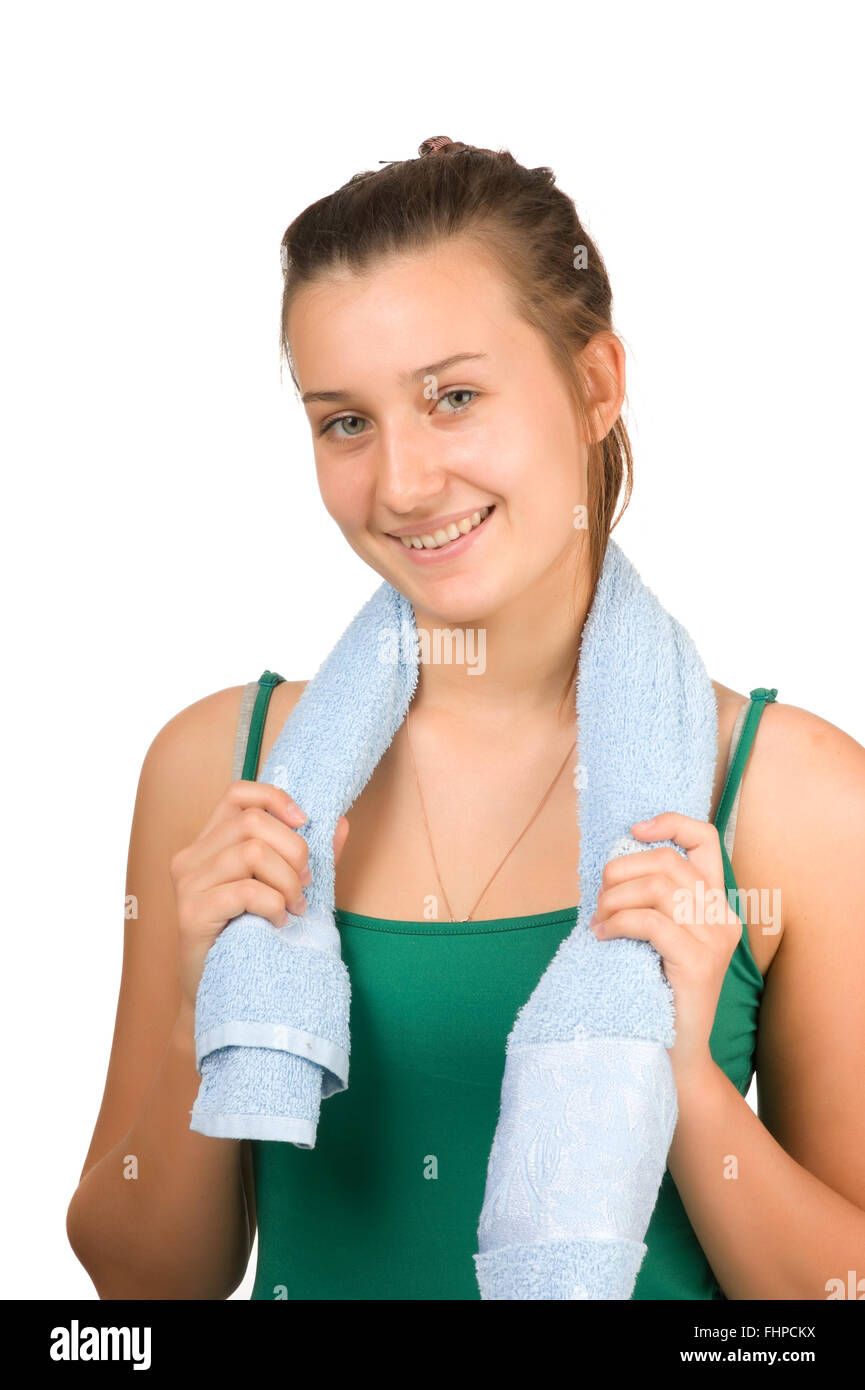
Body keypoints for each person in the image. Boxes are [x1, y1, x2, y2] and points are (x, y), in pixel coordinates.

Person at [66, 138, 865, 1300]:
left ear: (594, 386)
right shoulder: (225, 775)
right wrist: (205, 1008)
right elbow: (142, 1289)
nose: (401, 482)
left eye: (453, 398)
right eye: (344, 421)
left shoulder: (789, 796)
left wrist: (677, 1076)